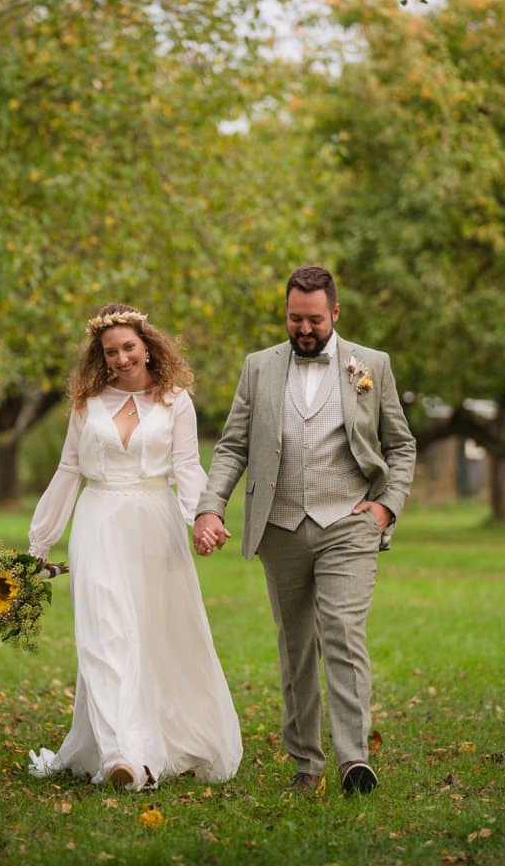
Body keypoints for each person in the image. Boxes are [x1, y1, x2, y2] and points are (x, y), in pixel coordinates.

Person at [193, 266, 415, 796]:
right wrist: (210, 507)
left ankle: (353, 759)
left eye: (315, 319)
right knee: (296, 645)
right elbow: (232, 446)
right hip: (280, 524)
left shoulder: (372, 366)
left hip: (350, 522)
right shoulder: (258, 368)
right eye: (295, 318)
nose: (304, 328)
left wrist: (387, 507)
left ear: (335, 313)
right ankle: (305, 764)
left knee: (341, 631)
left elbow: (401, 446)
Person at [27, 304, 242, 791]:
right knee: (105, 636)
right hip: (99, 522)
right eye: (110, 352)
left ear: (147, 344)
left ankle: (163, 739)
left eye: (128, 347)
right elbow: (68, 471)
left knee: (156, 634)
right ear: (100, 358)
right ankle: (125, 755)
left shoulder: (176, 402)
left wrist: (203, 519)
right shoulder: (87, 404)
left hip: (154, 526)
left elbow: (187, 467)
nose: (121, 358)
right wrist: (41, 540)